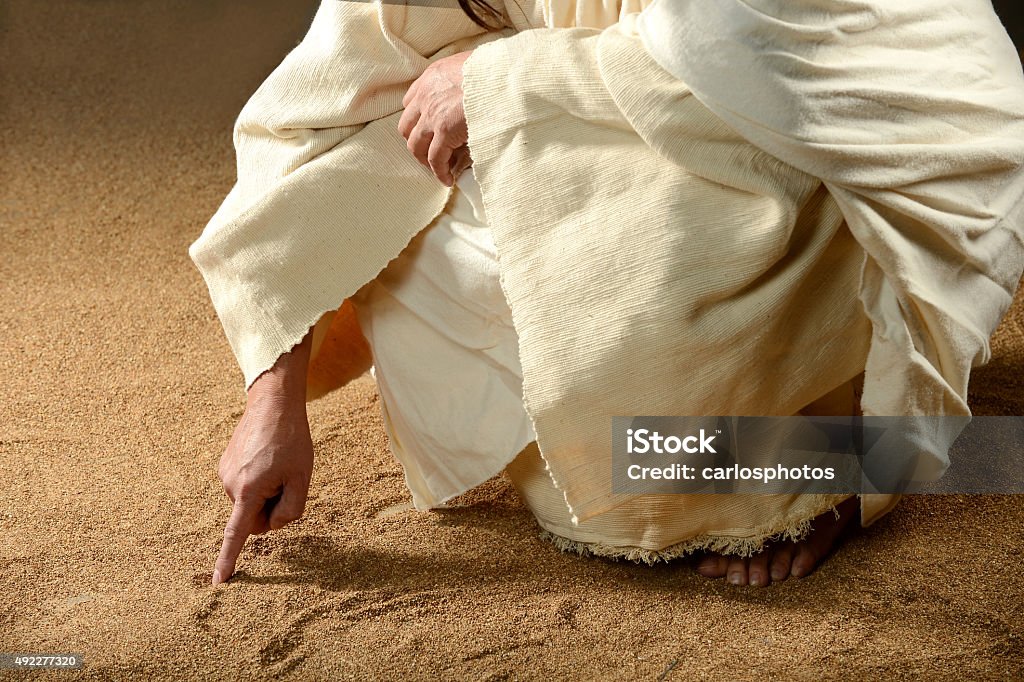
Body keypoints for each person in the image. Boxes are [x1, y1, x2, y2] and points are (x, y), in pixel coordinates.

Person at [191, 0, 1024, 587]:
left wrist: (497, 75)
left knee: (651, 323)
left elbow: (755, 51)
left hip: (834, 147)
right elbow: (318, 106)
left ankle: (847, 464)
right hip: (629, 121)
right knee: (410, 202)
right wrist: (275, 400)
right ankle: (631, 437)